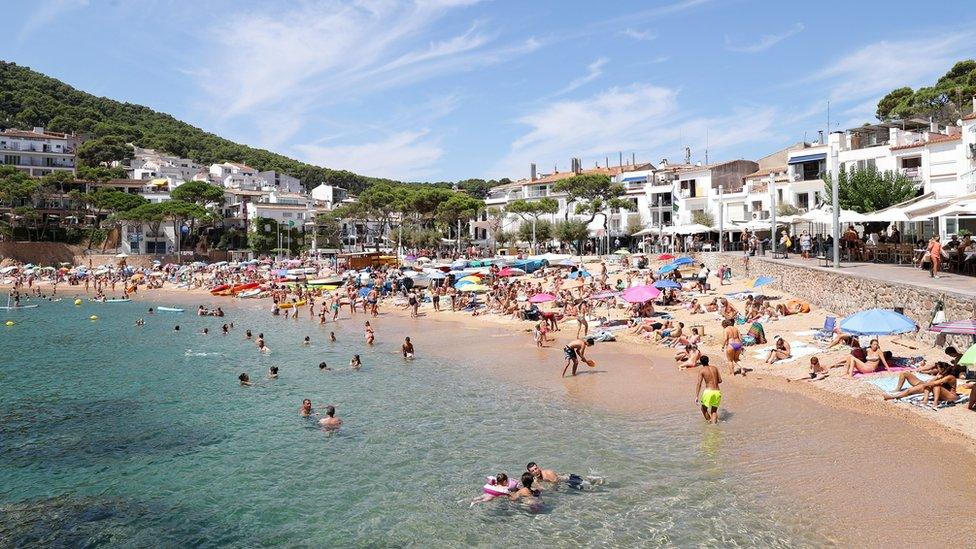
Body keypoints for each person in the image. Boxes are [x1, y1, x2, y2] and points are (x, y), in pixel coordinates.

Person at [695, 356, 722, 424]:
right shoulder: (715, 368)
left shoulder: (702, 370)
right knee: (714, 411)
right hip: (717, 392)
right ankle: (714, 425)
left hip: (708, 391)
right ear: (708, 360)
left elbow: (699, 383)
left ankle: (709, 422)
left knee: (703, 409)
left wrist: (697, 396)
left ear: (701, 362)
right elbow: (720, 380)